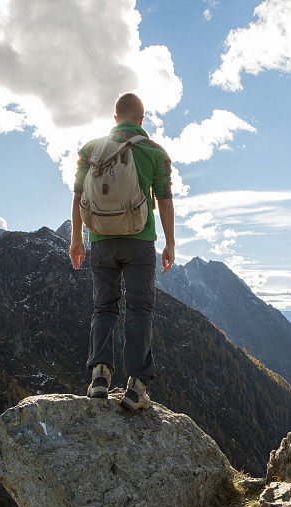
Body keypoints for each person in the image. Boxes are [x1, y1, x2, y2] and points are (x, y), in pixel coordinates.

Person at [68, 93, 175, 411]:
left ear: (115, 119)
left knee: (104, 307)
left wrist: (76, 239)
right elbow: (165, 199)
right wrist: (169, 243)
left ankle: (99, 376)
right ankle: (137, 387)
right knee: (140, 309)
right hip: (140, 241)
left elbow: (77, 196)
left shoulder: (91, 149)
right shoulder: (154, 152)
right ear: (142, 120)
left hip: (100, 240)